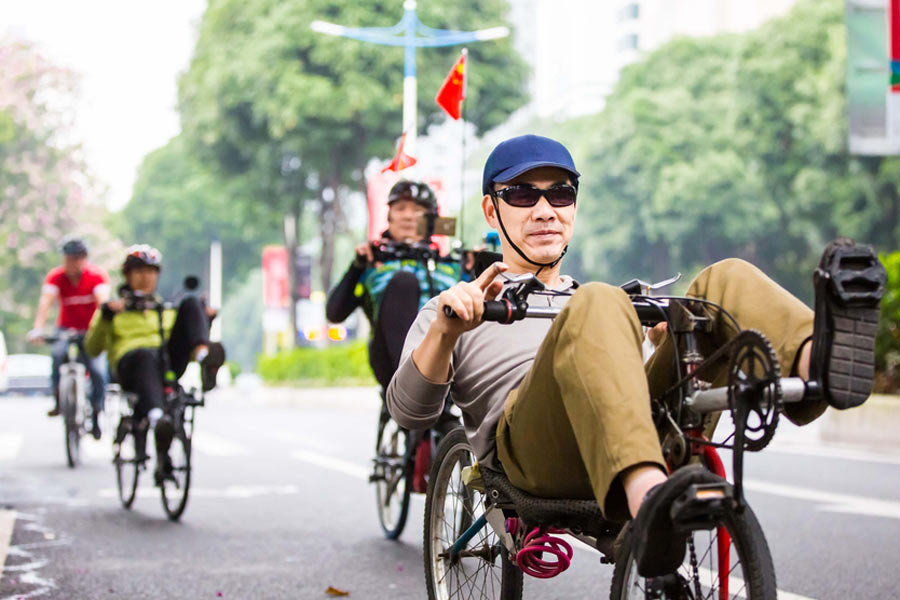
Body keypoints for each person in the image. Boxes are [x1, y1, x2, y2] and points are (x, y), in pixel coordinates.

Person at [386, 134, 886, 577]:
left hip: (629, 425)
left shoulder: (597, 300)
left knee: (719, 282)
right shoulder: (457, 305)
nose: (544, 210)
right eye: (522, 194)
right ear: (493, 211)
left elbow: (627, 366)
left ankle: (815, 362)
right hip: (535, 451)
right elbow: (410, 413)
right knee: (601, 300)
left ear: (574, 206)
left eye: (560, 194)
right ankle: (649, 500)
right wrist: (448, 332)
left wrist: (658, 344)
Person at [84, 245, 225, 484]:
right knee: (145, 355)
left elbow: (179, 347)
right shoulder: (113, 310)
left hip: (165, 364)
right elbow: (92, 348)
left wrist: (205, 319)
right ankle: (158, 418)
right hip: (131, 366)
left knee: (192, 304)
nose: (145, 276)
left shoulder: (166, 309)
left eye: (150, 271)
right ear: (127, 275)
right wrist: (106, 317)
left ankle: (205, 357)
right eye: (138, 271)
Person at [326, 180, 463, 389]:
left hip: (447, 362)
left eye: (418, 210)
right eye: (400, 209)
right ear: (389, 217)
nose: (408, 216)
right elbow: (334, 314)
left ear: (433, 218)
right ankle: (412, 389)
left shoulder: (453, 267)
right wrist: (356, 268)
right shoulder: (372, 265)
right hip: (391, 367)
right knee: (403, 282)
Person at [28, 237, 110, 438]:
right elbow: (45, 303)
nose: (72, 262)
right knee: (57, 356)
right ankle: (58, 400)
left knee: (98, 370)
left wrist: (104, 330)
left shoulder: (96, 276)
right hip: (65, 329)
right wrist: (38, 328)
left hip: (91, 330)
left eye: (76, 258)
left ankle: (97, 411)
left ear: (84, 259)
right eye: (69, 258)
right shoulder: (56, 277)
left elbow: (103, 304)